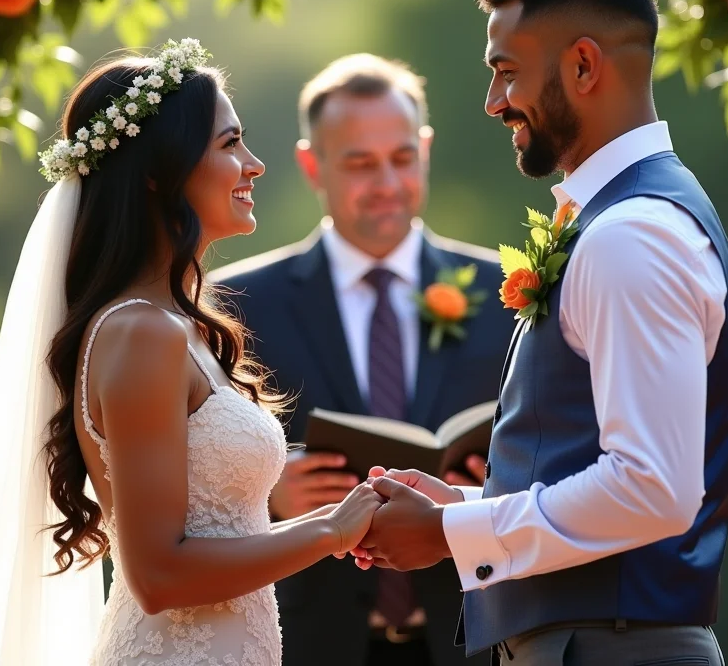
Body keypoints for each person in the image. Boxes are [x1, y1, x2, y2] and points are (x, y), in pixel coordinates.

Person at [351, 0, 728, 666]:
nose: (494, 102)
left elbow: (654, 488)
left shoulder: (632, 233)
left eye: (506, 73)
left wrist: (449, 536)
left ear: (584, 65)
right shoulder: (618, 219)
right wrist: (462, 510)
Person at [0, 40, 385, 666]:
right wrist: (330, 530)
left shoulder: (178, 328)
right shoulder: (141, 333)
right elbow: (159, 576)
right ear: (157, 173)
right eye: (230, 145)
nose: (254, 165)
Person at [209, 54, 514, 666]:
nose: (386, 183)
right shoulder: (234, 303)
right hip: (307, 641)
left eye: (402, 158)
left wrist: (487, 495)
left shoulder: (510, 291)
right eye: (359, 163)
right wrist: (266, 497)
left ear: (424, 150)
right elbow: (191, 478)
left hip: (478, 636)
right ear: (310, 164)